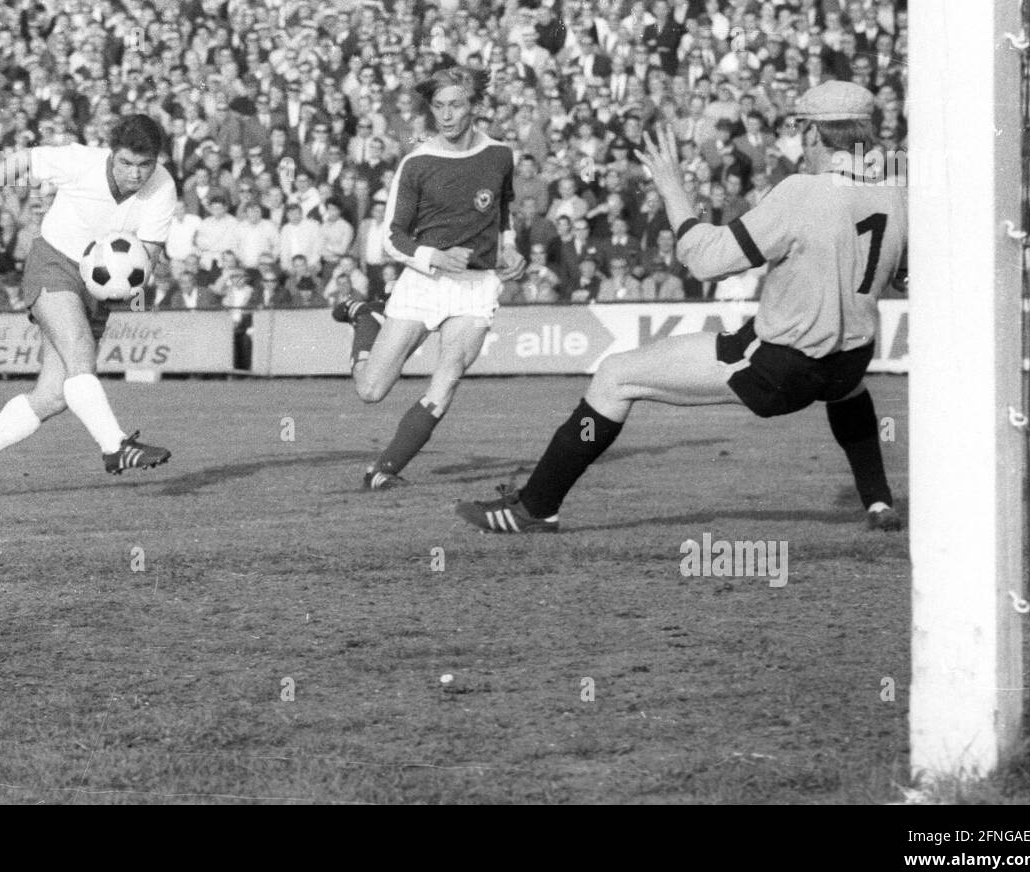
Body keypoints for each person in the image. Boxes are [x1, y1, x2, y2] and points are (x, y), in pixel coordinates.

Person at [457, 81, 908, 534]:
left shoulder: (801, 192)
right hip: (848, 362)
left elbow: (705, 260)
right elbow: (903, 276)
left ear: (813, 134)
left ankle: (536, 507)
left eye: (801, 129)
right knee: (849, 391)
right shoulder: (892, 195)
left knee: (615, 376)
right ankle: (877, 503)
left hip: (782, 369)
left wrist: (672, 187)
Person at [0, 115, 175, 498]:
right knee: (81, 354)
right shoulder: (82, 161)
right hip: (54, 263)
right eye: (126, 163)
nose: (134, 174)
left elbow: (145, 260)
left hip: (101, 289)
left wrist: (129, 291)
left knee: (53, 396)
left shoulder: (163, 188)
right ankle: (116, 448)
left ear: (157, 161)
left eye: (144, 165)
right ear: (112, 155)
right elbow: (25, 158)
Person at [332, 61, 524, 489]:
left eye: (456, 105)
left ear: (475, 105)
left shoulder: (499, 155)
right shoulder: (417, 163)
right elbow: (391, 238)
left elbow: (504, 211)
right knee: (370, 390)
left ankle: (384, 470)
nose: (447, 115)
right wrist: (435, 257)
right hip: (424, 283)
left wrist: (509, 246)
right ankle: (366, 316)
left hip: (476, 285)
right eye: (439, 106)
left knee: (450, 372)